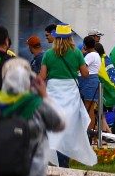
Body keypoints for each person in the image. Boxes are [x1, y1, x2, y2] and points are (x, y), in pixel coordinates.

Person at [36, 25, 96, 168]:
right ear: (70, 37)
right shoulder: (76, 53)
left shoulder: (48, 54)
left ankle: (54, 158)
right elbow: (86, 73)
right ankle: (64, 162)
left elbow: (42, 76)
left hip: (53, 91)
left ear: (56, 37)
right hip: (71, 93)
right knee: (68, 129)